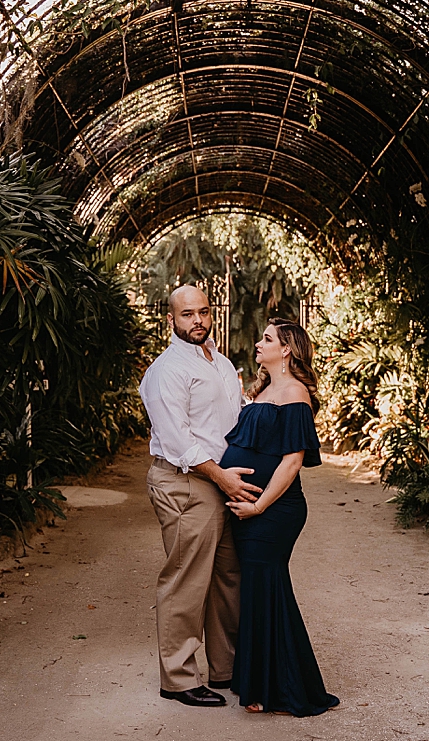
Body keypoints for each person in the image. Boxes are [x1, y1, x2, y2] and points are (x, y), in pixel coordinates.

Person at [138, 285, 264, 707]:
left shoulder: (221, 362)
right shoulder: (167, 370)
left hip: (221, 481)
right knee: (186, 579)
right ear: (171, 320)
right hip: (186, 481)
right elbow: (178, 440)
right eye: (188, 314)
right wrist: (222, 478)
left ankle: (227, 669)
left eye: (204, 312)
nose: (198, 321)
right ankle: (178, 678)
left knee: (229, 577)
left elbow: (235, 416)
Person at [221, 319, 340, 717]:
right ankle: (264, 683)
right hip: (253, 510)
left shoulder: (295, 393)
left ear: (286, 349)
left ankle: (279, 688)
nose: (258, 343)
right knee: (259, 592)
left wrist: (258, 506)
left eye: (267, 339)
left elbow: (292, 462)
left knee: (264, 589)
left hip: (274, 512)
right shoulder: (265, 390)